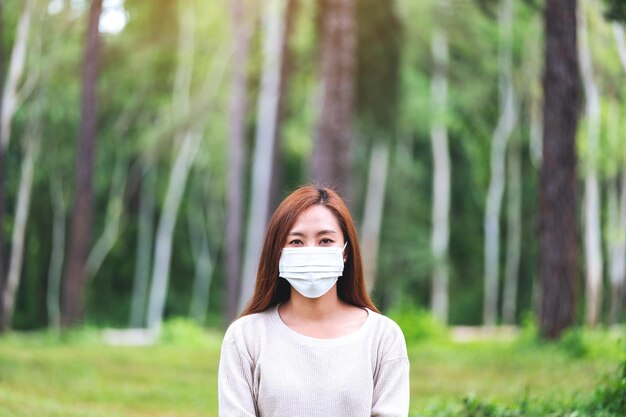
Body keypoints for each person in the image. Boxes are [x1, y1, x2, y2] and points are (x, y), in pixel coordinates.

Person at [218, 185, 410, 416]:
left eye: (326, 240)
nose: (311, 251)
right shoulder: (245, 337)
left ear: (346, 251)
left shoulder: (383, 338)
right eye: (296, 242)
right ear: (277, 251)